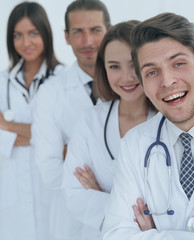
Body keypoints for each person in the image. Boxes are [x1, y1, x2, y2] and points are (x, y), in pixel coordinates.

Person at [102, 12, 194, 240]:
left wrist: (157, 235)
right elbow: (115, 234)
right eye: (152, 72)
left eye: (178, 63)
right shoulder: (134, 145)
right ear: (143, 84)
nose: (167, 81)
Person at [62, 20, 156, 239]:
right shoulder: (89, 122)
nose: (127, 76)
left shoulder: (168, 121)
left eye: (134, 63)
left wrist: (100, 195)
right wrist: (137, 213)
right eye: (114, 66)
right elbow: (73, 195)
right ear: (103, 70)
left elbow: (175, 204)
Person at [33, 0, 111, 239]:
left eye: (95, 30)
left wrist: (77, 157)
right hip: (74, 226)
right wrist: (109, 187)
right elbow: (50, 171)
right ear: (66, 37)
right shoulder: (50, 93)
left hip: (129, 224)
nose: (87, 41)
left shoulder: (131, 85)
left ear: (109, 31)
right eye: (78, 32)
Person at [0, 2, 63, 240]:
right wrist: (43, 135)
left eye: (33, 33)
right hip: (11, 193)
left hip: (51, 190)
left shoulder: (63, 79)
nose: (26, 43)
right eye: (18, 35)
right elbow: (49, 136)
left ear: (45, 33)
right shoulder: (2, 81)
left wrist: (5, 126)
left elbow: (63, 138)